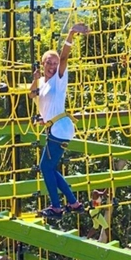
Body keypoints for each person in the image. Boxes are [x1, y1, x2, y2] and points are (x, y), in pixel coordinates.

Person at [29, 23, 90, 219]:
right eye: (49, 62)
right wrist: (35, 79)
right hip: (56, 127)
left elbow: (64, 57)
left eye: (55, 63)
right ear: (42, 63)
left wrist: (71, 34)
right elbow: (32, 95)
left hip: (61, 127)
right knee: (49, 167)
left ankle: (57, 207)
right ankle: (73, 202)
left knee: (45, 167)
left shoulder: (59, 78)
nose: (53, 66)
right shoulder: (42, 83)